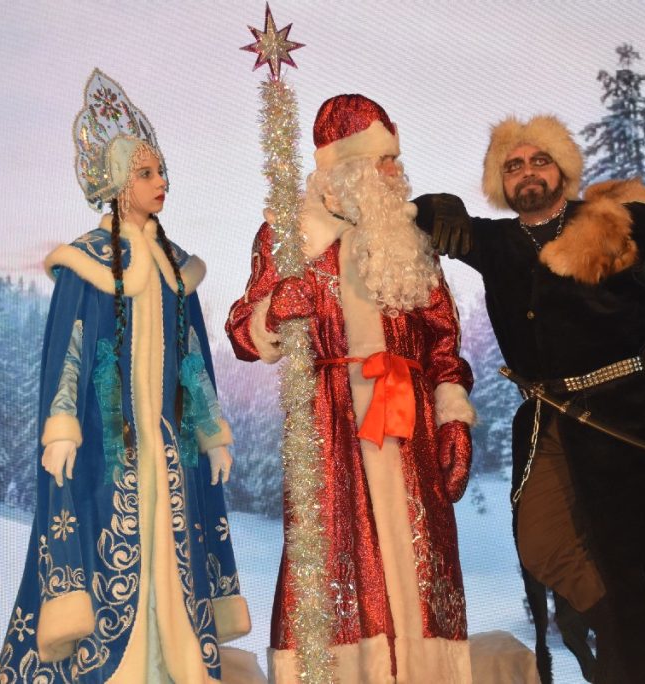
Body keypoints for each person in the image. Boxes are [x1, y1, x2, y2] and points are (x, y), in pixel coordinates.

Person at [413, 115, 645, 684]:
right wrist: (428, 207)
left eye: (539, 160)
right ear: (500, 182)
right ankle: (639, 643)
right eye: (513, 166)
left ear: (562, 170)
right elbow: (422, 220)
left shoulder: (616, 222)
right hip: (551, 419)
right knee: (542, 542)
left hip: (630, 418)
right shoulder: (496, 243)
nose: (527, 173)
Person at [0, 69, 249, 683]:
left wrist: (211, 431)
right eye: (147, 173)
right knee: (107, 549)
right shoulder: (88, 262)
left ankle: (168, 666)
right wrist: (62, 427)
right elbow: (71, 353)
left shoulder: (174, 267)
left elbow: (192, 357)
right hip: (109, 448)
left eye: (162, 173)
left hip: (170, 446)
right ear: (116, 184)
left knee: (172, 554)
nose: (162, 183)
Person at [226, 94, 475, 683]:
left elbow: (442, 340)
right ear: (348, 168)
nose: (395, 172)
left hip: (410, 428)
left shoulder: (410, 240)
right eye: (382, 160)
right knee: (343, 558)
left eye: (395, 160)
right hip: (332, 428)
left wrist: (453, 417)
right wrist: (272, 310)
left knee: (418, 564)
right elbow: (242, 332)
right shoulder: (290, 236)